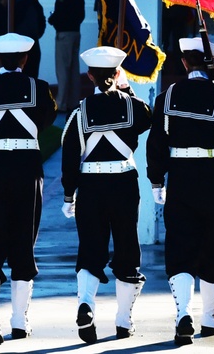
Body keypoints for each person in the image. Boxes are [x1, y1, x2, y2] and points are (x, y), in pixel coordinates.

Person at [147, 37, 214, 346]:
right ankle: (209, 318)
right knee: (213, 247)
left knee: (181, 247)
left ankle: (182, 315)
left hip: (180, 179)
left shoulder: (167, 97)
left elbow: (156, 144)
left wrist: (157, 180)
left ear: (184, 63)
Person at [0, 32, 57, 344]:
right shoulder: (40, 89)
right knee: (22, 239)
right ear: (26, 59)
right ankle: (19, 320)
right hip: (26, 167)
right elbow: (46, 120)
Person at [59, 46, 153, 343]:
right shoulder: (132, 107)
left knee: (90, 249)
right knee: (127, 248)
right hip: (124, 183)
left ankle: (86, 305)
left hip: (90, 187)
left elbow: (69, 157)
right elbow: (147, 118)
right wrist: (125, 89)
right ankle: (124, 321)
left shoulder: (79, 113)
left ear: (89, 75)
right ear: (117, 73)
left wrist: (68, 194)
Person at [49, 0, 86, 112]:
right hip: (76, 32)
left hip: (64, 34)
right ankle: (73, 101)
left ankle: (61, 102)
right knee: (74, 69)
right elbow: (81, 17)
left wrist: (52, 19)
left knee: (62, 69)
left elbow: (59, 15)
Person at [14, 0, 46, 78]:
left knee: (32, 70)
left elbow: (42, 23)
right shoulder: (19, 5)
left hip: (31, 43)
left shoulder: (37, 6)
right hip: (23, 43)